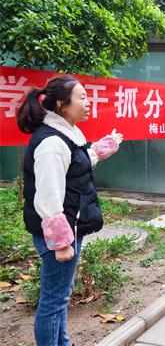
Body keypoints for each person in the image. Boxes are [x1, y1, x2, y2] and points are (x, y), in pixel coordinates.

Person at [17, 76, 122, 346]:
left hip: (68, 230)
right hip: (59, 235)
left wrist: (100, 149)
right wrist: (61, 242)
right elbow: (48, 197)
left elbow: (75, 168)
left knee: (60, 296)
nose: (88, 103)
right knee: (54, 301)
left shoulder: (65, 136)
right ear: (63, 105)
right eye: (82, 97)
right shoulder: (52, 143)